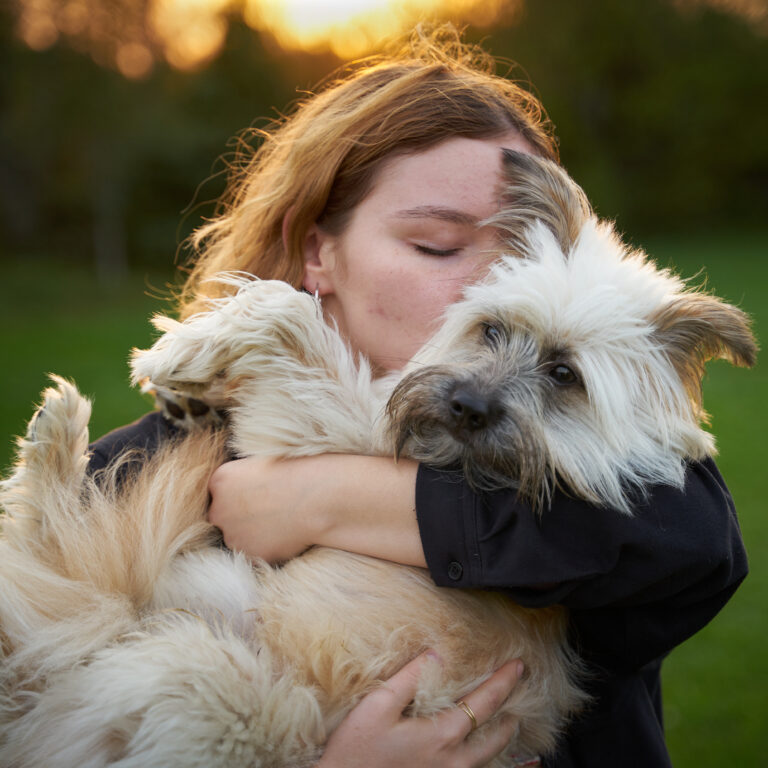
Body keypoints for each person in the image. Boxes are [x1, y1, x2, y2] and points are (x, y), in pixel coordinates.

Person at [89, 25, 748, 768]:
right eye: (437, 245)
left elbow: (693, 542)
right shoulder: (139, 470)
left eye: (513, 261)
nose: (480, 288)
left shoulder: (611, 512)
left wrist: (322, 499)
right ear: (318, 253)